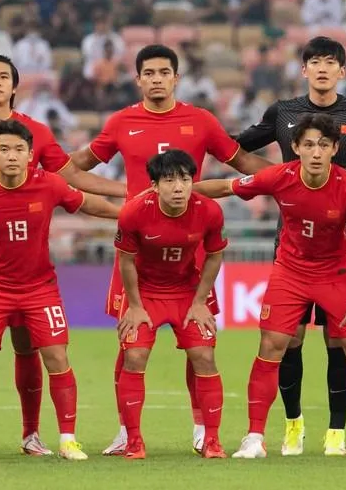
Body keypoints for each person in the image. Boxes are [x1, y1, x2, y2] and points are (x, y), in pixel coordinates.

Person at [69, 44, 272, 455]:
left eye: (165, 72)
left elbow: (244, 163)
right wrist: (123, 196)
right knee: (129, 341)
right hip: (137, 249)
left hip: (190, 250)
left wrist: (290, 178)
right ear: (139, 79)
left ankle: (203, 428)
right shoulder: (122, 121)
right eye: (150, 72)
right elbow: (73, 169)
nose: (157, 78)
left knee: (198, 345)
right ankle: (127, 433)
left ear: (176, 78)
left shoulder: (200, 121)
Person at [0, 53, 126, 456]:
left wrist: (128, 195)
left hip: (30, 268)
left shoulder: (35, 133)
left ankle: (31, 433)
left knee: (29, 346)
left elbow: (69, 180)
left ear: (15, 87)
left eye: (4, 77)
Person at [236, 36, 346, 457]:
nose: (321, 68)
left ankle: (337, 431)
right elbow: (238, 147)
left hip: (344, 245)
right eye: (314, 62)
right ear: (303, 70)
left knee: (341, 342)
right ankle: (293, 423)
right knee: (290, 341)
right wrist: (275, 176)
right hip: (293, 244)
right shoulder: (283, 113)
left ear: (342, 70)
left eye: (330, 62)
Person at [195, 114, 346, 460]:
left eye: (323, 145)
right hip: (290, 273)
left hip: (335, 274)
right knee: (272, 345)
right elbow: (227, 187)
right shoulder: (278, 176)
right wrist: (181, 191)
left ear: (334, 149)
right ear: (296, 149)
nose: (315, 152)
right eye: (308, 145)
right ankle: (254, 437)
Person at [114, 150, 228, 459]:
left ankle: (212, 441)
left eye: (185, 179)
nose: (178, 187)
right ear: (154, 185)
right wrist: (135, 307)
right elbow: (126, 261)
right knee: (135, 356)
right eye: (169, 180)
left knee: (204, 355)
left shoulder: (209, 212)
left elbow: (214, 255)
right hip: (147, 293)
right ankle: (134, 441)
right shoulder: (134, 213)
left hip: (186, 293)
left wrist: (201, 301)